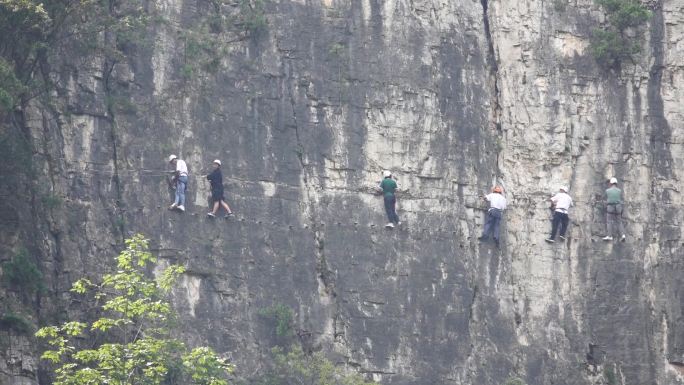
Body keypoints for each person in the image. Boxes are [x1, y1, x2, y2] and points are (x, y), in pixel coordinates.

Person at [603, 177, 626, 241]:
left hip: (610, 207)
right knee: (619, 222)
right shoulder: (619, 191)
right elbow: (621, 199)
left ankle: (610, 236)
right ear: (616, 183)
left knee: (609, 221)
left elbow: (604, 198)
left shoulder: (607, 191)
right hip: (618, 207)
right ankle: (623, 235)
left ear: (610, 183)